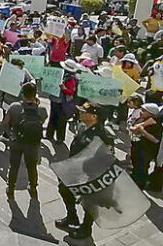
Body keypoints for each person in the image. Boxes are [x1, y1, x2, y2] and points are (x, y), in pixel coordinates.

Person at [55, 103, 113, 240]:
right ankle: (72, 217)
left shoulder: (104, 135)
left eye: (83, 112)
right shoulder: (82, 128)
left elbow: (107, 159)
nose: (80, 113)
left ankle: (86, 230)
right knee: (64, 189)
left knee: (91, 203)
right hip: (76, 172)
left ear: (94, 116)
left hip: (92, 176)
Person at [3, 83, 47, 199]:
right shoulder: (41, 109)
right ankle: (32, 187)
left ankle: (11, 188)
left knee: (14, 166)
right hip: (33, 142)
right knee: (32, 166)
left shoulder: (14, 107)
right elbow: (41, 121)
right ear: (35, 94)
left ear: (22, 93)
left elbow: (5, 123)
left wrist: (10, 135)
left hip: (17, 141)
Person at [129, 103, 162, 189]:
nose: (141, 112)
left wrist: (143, 132)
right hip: (136, 147)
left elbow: (156, 140)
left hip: (145, 151)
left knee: (142, 169)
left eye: (144, 111)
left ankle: (140, 185)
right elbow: (133, 128)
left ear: (151, 113)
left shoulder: (155, 125)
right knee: (135, 166)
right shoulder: (143, 120)